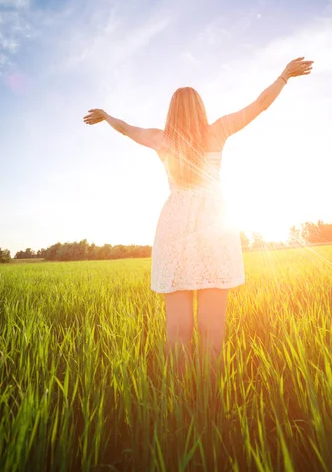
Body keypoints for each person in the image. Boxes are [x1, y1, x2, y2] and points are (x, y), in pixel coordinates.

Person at [83, 56, 313, 384]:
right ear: (200, 108)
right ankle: (210, 401)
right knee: (212, 327)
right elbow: (260, 105)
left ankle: (178, 404)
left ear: (171, 111)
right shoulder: (217, 131)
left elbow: (125, 129)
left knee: (176, 329)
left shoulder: (161, 140)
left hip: (174, 228)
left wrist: (106, 117)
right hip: (214, 229)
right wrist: (284, 77)